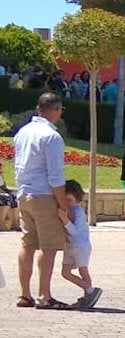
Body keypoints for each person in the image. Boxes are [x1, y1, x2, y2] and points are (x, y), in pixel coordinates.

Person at [13, 93, 72, 310]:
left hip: (24, 192)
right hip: (44, 195)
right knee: (48, 247)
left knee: (28, 244)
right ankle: (44, 295)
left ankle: (25, 294)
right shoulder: (52, 137)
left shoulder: (22, 132)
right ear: (56, 110)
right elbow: (55, 176)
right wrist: (63, 204)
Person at [60, 180, 102, 309]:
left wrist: (65, 220)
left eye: (70, 200)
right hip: (69, 246)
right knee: (65, 272)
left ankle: (89, 293)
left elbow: (75, 232)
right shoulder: (66, 210)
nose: (67, 203)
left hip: (80, 246)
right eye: (65, 200)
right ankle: (89, 290)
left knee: (83, 270)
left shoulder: (78, 212)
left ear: (77, 200)